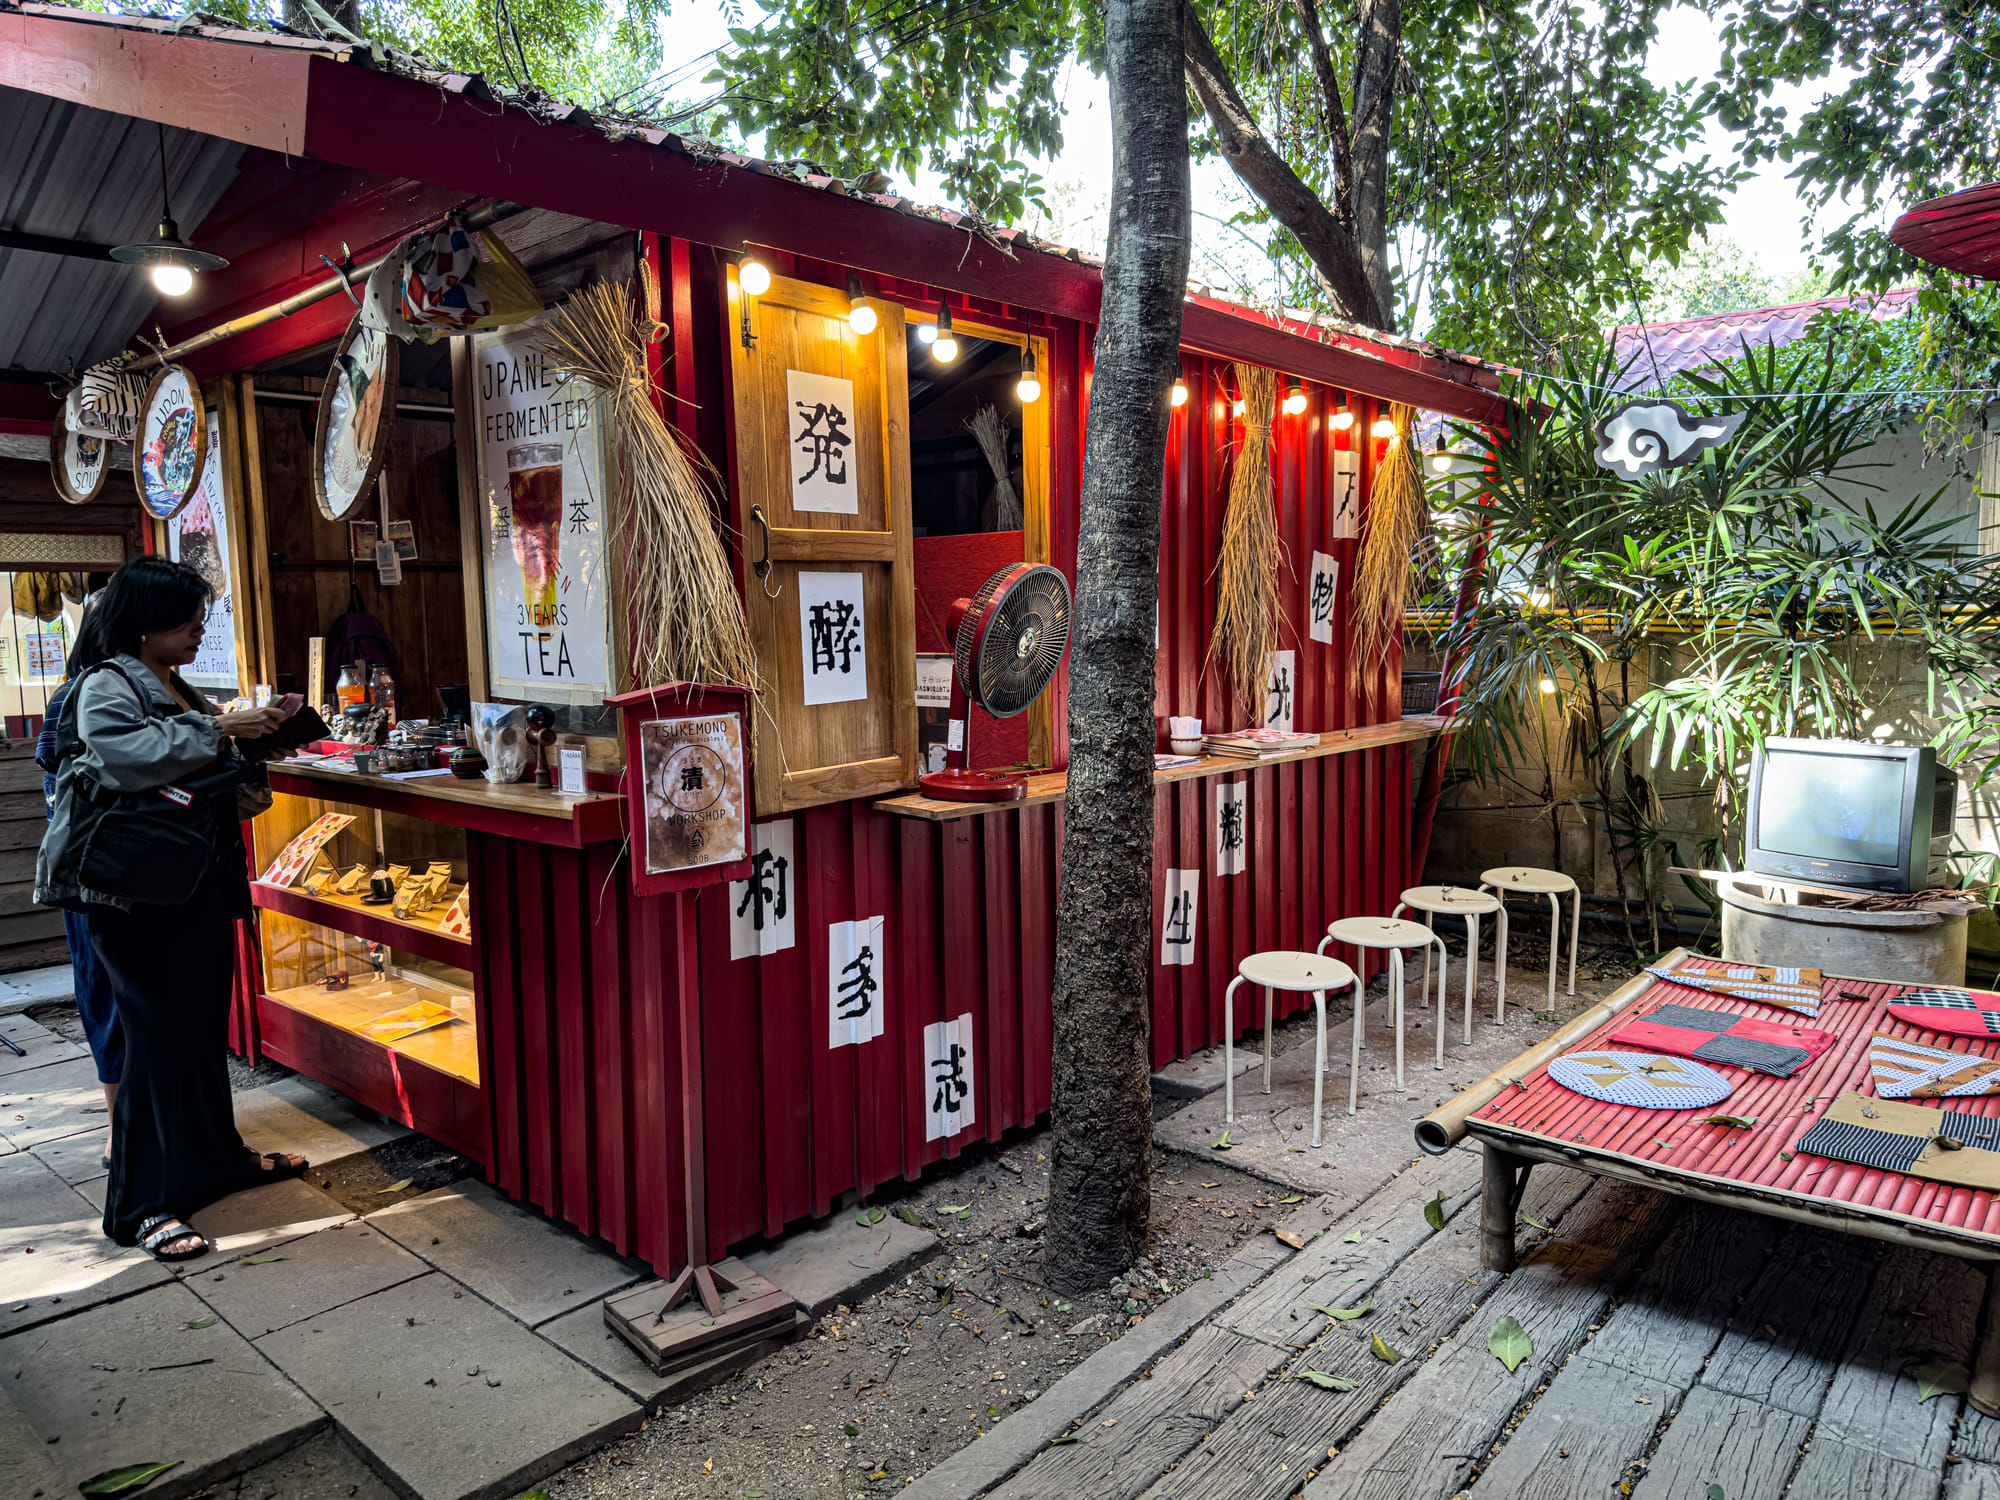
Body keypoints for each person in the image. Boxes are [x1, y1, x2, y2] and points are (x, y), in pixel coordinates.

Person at [36, 557, 304, 1263]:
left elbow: (223, 790)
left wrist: (265, 739)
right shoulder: (104, 685)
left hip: (196, 885)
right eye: (187, 617)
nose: (198, 628)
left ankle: (216, 1160)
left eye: (201, 615)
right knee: (152, 1044)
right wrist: (223, 732)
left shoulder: (178, 686)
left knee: (195, 1033)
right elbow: (126, 758)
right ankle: (140, 1205)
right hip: (134, 896)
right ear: (144, 620)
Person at [34, 609, 121, 1170]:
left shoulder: (164, 687)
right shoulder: (79, 697)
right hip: (97, 874)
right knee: (104, 990)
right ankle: (119, 1123)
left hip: (137, 876)